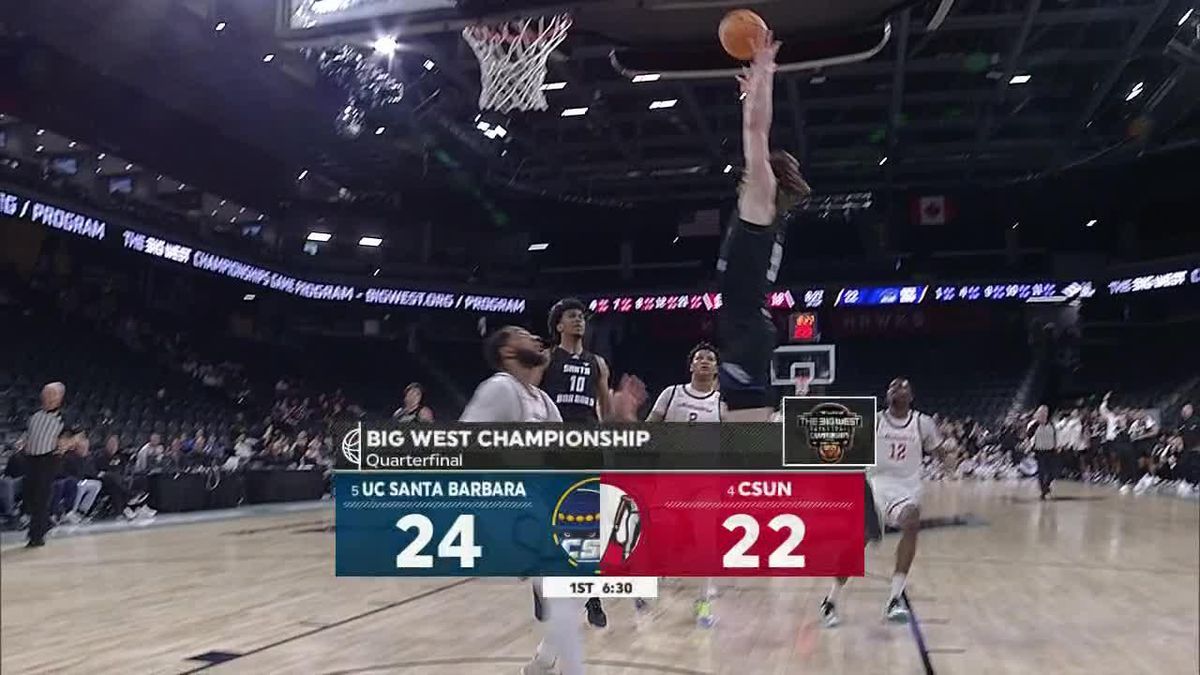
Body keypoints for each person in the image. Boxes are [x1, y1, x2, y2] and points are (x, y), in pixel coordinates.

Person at [462, 326, 640, 675]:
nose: (534, 338)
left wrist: (618, 421)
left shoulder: (543, 401)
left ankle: (543, 661)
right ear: (507, 352)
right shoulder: (500, 388)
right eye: (521, 334)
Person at [717, 30, 810, 424]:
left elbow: (756, 132)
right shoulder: (764, 210)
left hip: (746, 330)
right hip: (746, 328)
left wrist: (764, 72)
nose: (747, 168)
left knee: (746, 444)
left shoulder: (760, 197)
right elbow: (753, 131)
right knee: (742, 437)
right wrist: (750, 96)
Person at [540, 297, 646, 629]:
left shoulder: (597, 363)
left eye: (581, 316)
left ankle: (592, 596)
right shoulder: (546, 358)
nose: (578, 320)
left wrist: (624, 410)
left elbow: (606, 415)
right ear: (559, 324)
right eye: (571, 316)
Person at [821, 378, 943, 627]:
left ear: (911, 397)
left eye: (903, 388)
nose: (897, 391)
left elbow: (939, 451)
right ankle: (830, 600)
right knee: (861, 539)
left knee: (911, 521)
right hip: (875, 487)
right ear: (887, 395)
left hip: (906, 490)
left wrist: (948, 454)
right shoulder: (874, 421)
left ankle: (895, 599)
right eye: (893, 387)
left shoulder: (922, 423)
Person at [641, 342, 726, 626]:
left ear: (716, 368)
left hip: (705, 480)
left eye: (710, 358)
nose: (704, 361)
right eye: (699, 357)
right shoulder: (672, 393)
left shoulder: (720, 404)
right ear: (691, 365)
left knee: (706, 537)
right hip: (670, 476)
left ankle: (703, 603)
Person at [23, 382, 68, 548]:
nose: (47, 397)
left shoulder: (63, 417)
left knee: (41, 497)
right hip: (31, 459)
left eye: (51, 394)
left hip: (48, 459)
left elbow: (77, 435)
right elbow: (28, 434)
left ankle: (36, 535)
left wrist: (65, 444)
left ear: (59, 398)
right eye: (45, 393)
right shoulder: (34, 415)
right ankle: (45, 523)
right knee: (29, 495)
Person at [1026, 405, 1060, 500]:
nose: (1043, 414)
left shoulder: (1051, 424)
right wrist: (1029, 447)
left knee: (1053, 472)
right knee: (1042, 471)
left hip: (1051, 450)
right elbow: (1028, 436)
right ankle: (1043, 490)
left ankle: (1046, 486)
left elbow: (1055, 436)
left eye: (1045, 412)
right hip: (1039, 450)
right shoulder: (1034, 425)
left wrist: (1057, 445)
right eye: (1041, 413)